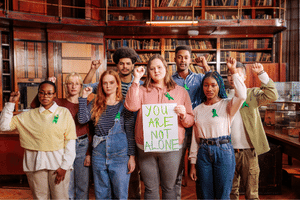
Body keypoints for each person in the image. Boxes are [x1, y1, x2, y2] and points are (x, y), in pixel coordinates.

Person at [124, 54, 194, 199]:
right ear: (148, 71)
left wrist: (183, 115)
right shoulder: (142, 90)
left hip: (171, 148)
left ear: (166, 69)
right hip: (145, 147)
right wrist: (136, 79)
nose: (156, 71)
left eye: (159, 67)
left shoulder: (180, 91)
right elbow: (131, 106)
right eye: (152, 68)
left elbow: (189, 121)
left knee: (169, 187)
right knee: (150, 188)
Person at [83, 46, 143, 199]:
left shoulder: (139, 85)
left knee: (131, 180)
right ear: (117, 65)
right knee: (103, 189)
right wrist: (92, 70)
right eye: (121, 63)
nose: (124, 66)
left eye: (128, 63)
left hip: (131, 134)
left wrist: (131, 155)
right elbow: (85, 88)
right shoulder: (107, 82)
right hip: (108, 134)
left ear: (133, 65)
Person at [30, 68, 99, 199]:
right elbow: (34, 105)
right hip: (62, 146)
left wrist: (89, 153)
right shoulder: (57, 103)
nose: (73, 86)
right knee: (66, 183)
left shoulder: (86, 104)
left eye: (77, 83)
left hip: (82, 145)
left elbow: (91, 130)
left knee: (82, 183)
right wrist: (48, 83)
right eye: (70, 83)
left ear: (81, 86)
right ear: (65, 86)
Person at [0, 81, 77, 199]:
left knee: (60, 197)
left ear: (54, 95)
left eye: (49, 93)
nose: (45, 96)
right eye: (42, 93)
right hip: (35, 164)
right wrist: (11, 103)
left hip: (58, 164)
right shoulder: (28, 115)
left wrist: (65, 166)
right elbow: (4, 126)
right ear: (38, 94)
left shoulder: (63, 113)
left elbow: (70, 141)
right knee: (40, 198)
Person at [189, 57, 247, 199]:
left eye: (213, 85)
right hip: (203, 152)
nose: (209, 89)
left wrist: (233, 71)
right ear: (202, 87)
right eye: (206, 85)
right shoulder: (197, 109)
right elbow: (195, 139)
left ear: (219, 86)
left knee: (223, 195)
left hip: (224, 151)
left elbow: (242, 95)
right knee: (204, 194)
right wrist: (192, 163)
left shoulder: (227, 105)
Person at [78, 70, 136, 199]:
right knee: (101, 194)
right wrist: (83, 97)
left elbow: (130, 132)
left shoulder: (125, 105)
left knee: (120, 194)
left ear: (117, 84)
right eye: (105, 83)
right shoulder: (95, 103)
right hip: (99, 154)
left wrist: (132, 157)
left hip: (120, 155)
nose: (108, 86)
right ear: (101, 86)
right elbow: (82, 119)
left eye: (111, 82)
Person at [227, 62, 278, 199]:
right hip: (227, 152)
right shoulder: (222, 96)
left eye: (237, 74)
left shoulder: (252, 94)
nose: (233, 77)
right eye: (231, 74)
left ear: (244, 77)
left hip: (248, 151)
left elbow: (272, 95)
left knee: (252, 193)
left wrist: (261, 74)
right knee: (230, 192)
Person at [172, 45, 210, 199]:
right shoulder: (170, 81)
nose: (183, 60)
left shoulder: (200, 78)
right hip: (177, 127)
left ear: (190, 59)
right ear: (174, 59)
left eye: (186, 57)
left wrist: (205, 66)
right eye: (180, 57)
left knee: (202, 167)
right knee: (176, 168)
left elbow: (217, 83)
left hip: (198, 127)